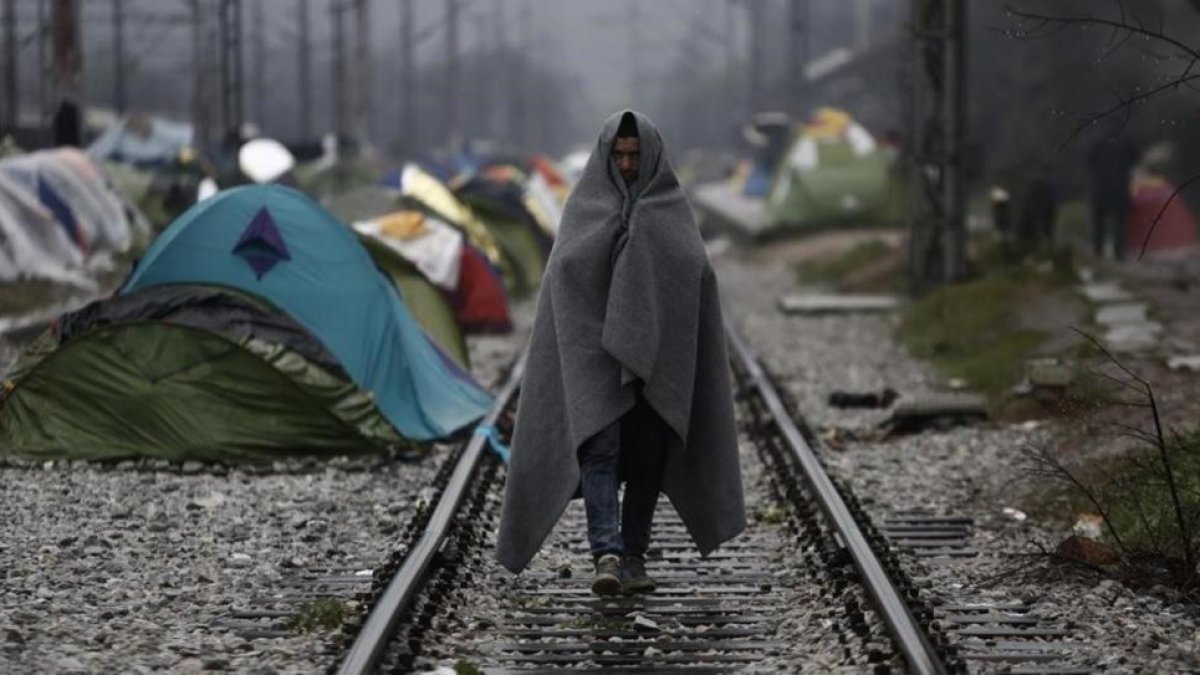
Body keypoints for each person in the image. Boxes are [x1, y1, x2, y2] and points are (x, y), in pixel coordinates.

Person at [496, 111, 746, 596]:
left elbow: (696, 271)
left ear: (650, 155)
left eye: (635, 155)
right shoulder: (585, 205)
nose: (628, 165)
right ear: (606, 155)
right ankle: (605, 553)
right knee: (599, 447)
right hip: (591, 352)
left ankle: (634, 555)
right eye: (620, 154)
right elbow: (563, 274)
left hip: (658, 354)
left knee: (650, 454)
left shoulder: (669, 208)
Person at [1086, 130, 1139, 261]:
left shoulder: (1097, 141)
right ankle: (1119, 254)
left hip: (1101, 188)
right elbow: (1136, 158)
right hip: (1119, 189)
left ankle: (1098, 252)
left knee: (1099, 222)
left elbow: (1088, 161)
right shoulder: (1126, 140)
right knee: (1119, 223)